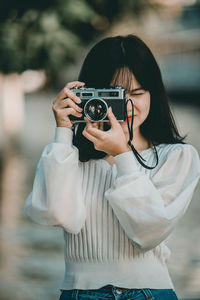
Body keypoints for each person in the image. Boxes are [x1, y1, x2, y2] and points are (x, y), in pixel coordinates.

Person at [24, 35, 200, 300]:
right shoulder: (69, 158)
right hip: (80, 291)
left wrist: (122, 155)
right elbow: (54, 214)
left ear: (155, 93)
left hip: (149, 292)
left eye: (137, 93)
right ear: (88, 95)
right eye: (114, 95)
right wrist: (63, 134)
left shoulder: (177, 157)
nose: (128, 104)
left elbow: (149, 232)